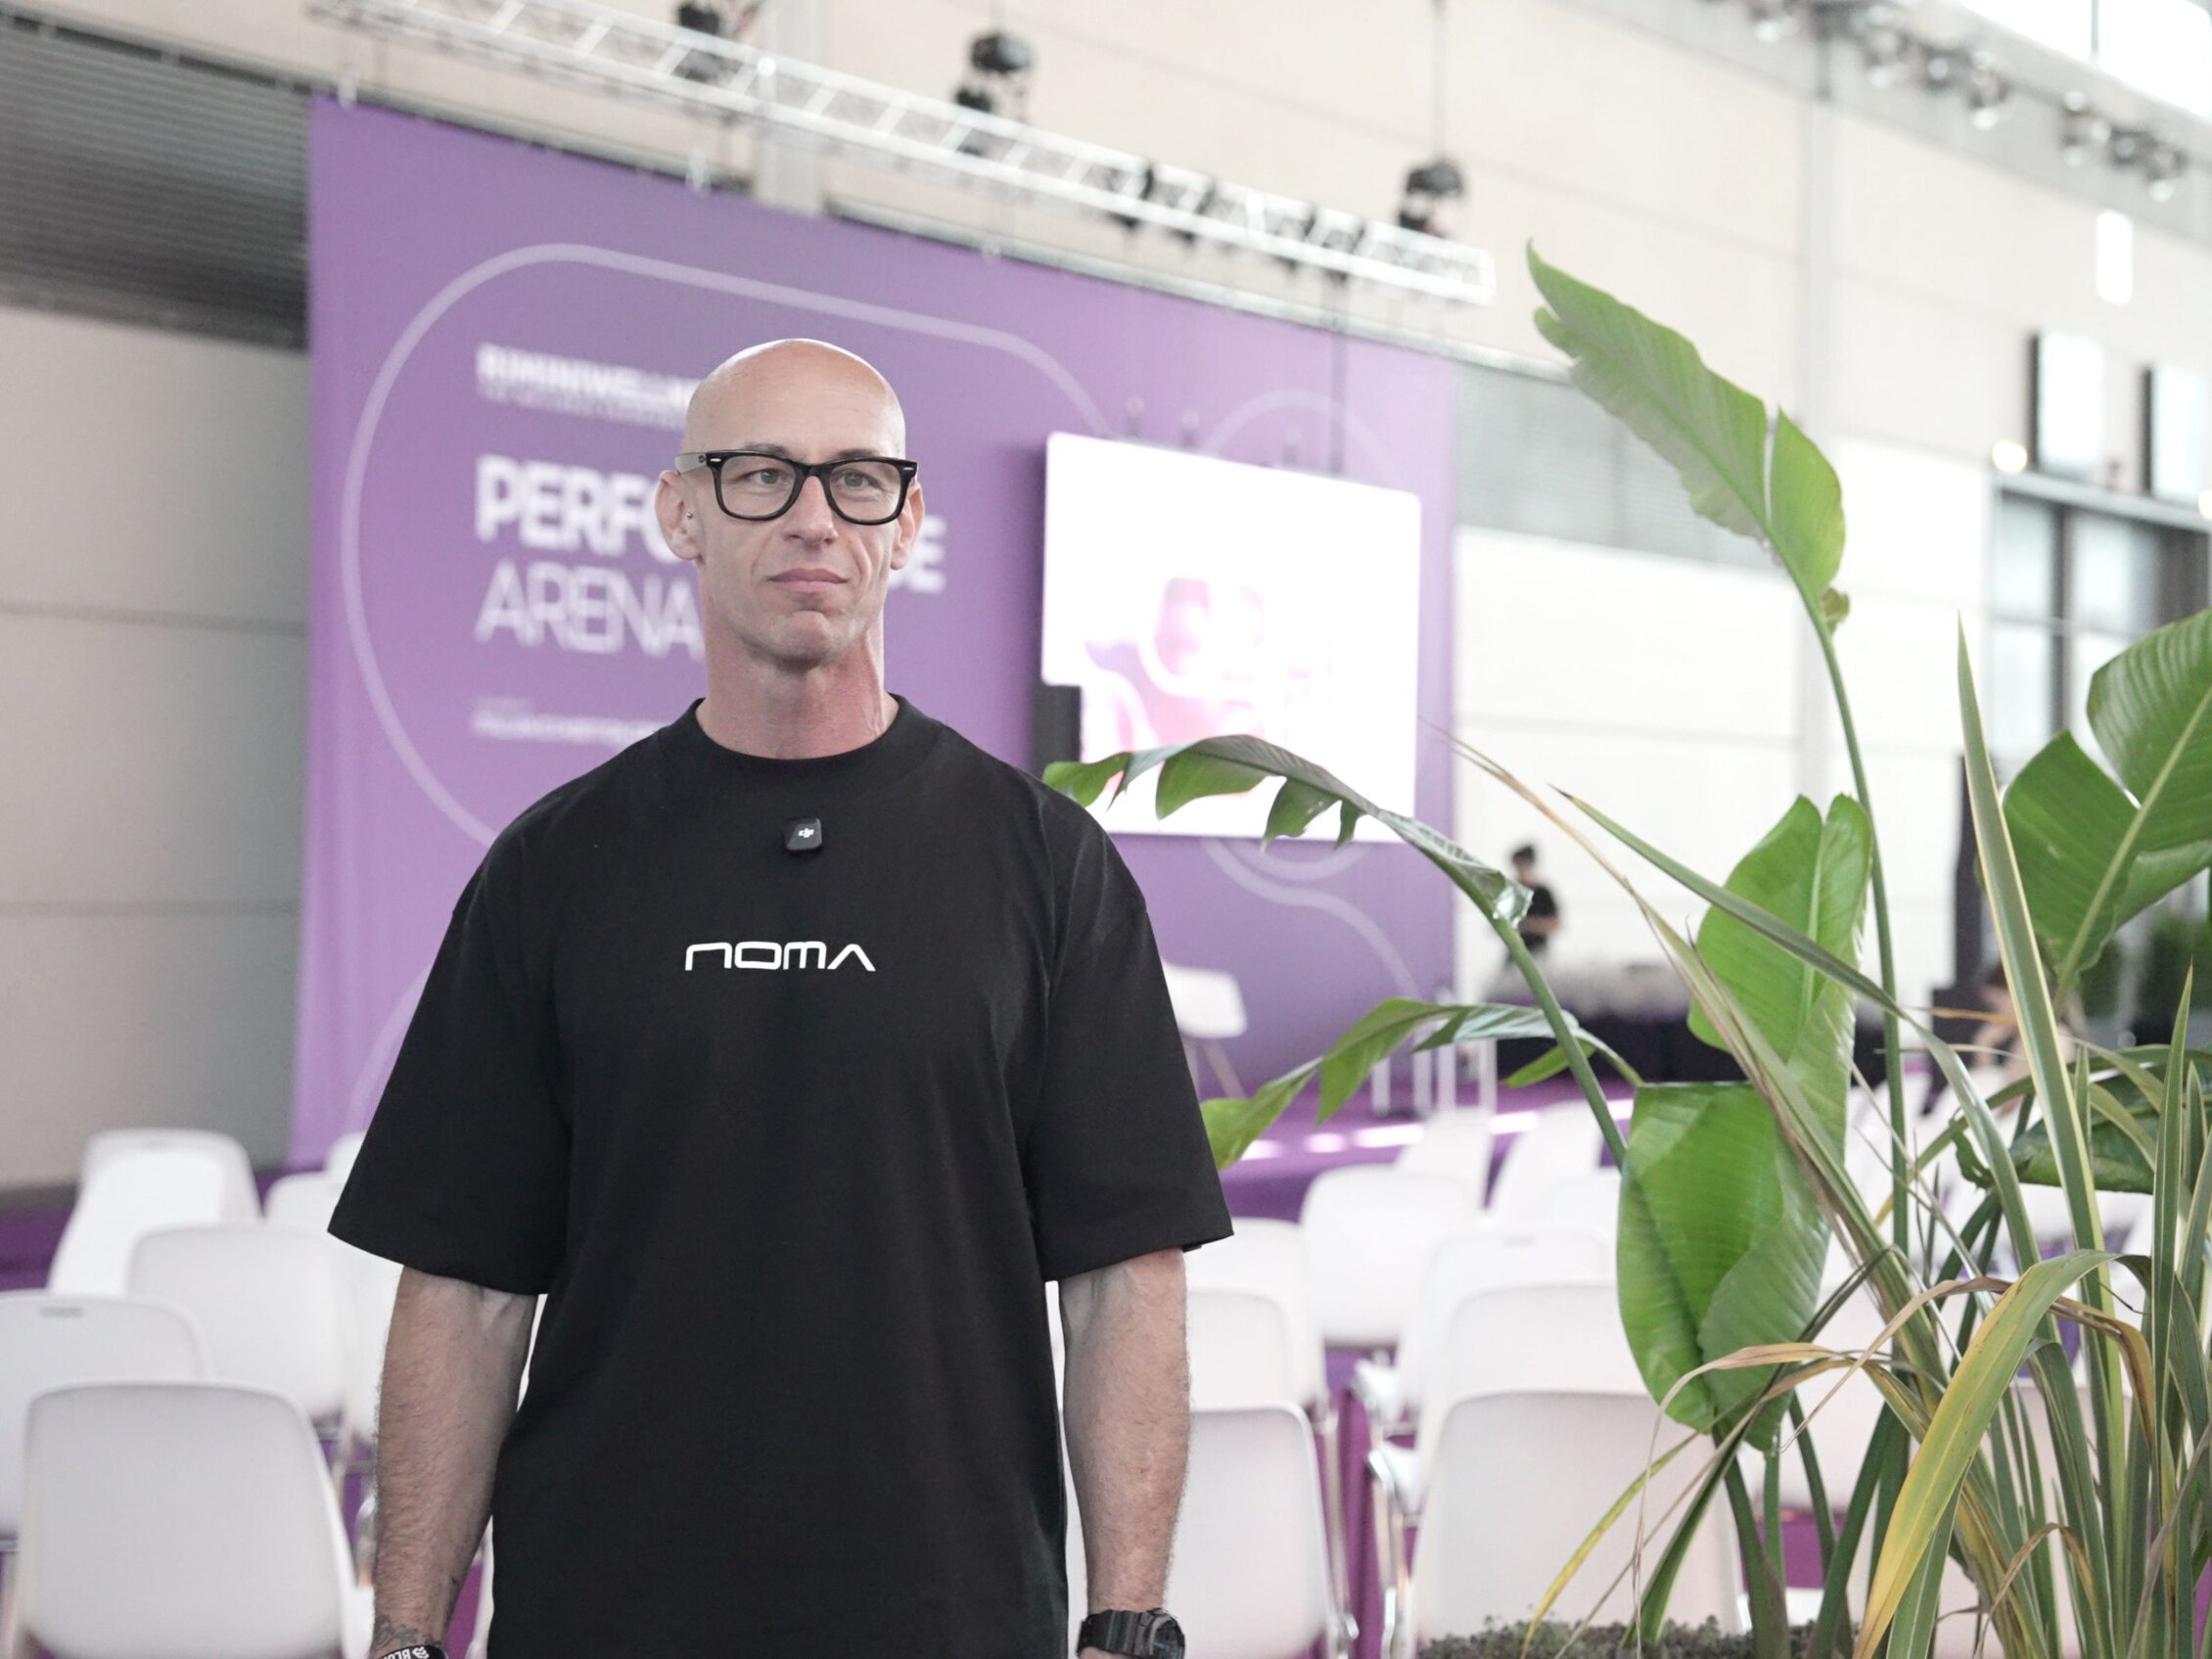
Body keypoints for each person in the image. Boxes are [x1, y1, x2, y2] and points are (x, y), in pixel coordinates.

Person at [330, 339, 1232, 1659]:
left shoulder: (1044, 863)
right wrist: (407, 1634)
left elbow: (1122, 1280)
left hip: (952, 1610)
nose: (815, 516)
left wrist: (1125, 1622)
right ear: (680, 512)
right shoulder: (555, 866)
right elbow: (466, 1289)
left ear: (906, 523)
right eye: (762, 473)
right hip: (607, 1609)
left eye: (858, 479)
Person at [1512, 843, 1561, 955]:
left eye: (1522, 865)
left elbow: (1556, 923)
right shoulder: (1513, 891)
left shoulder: (1542, 893)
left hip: (1538, 950)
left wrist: (1530, 924)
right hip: (1515, 950)